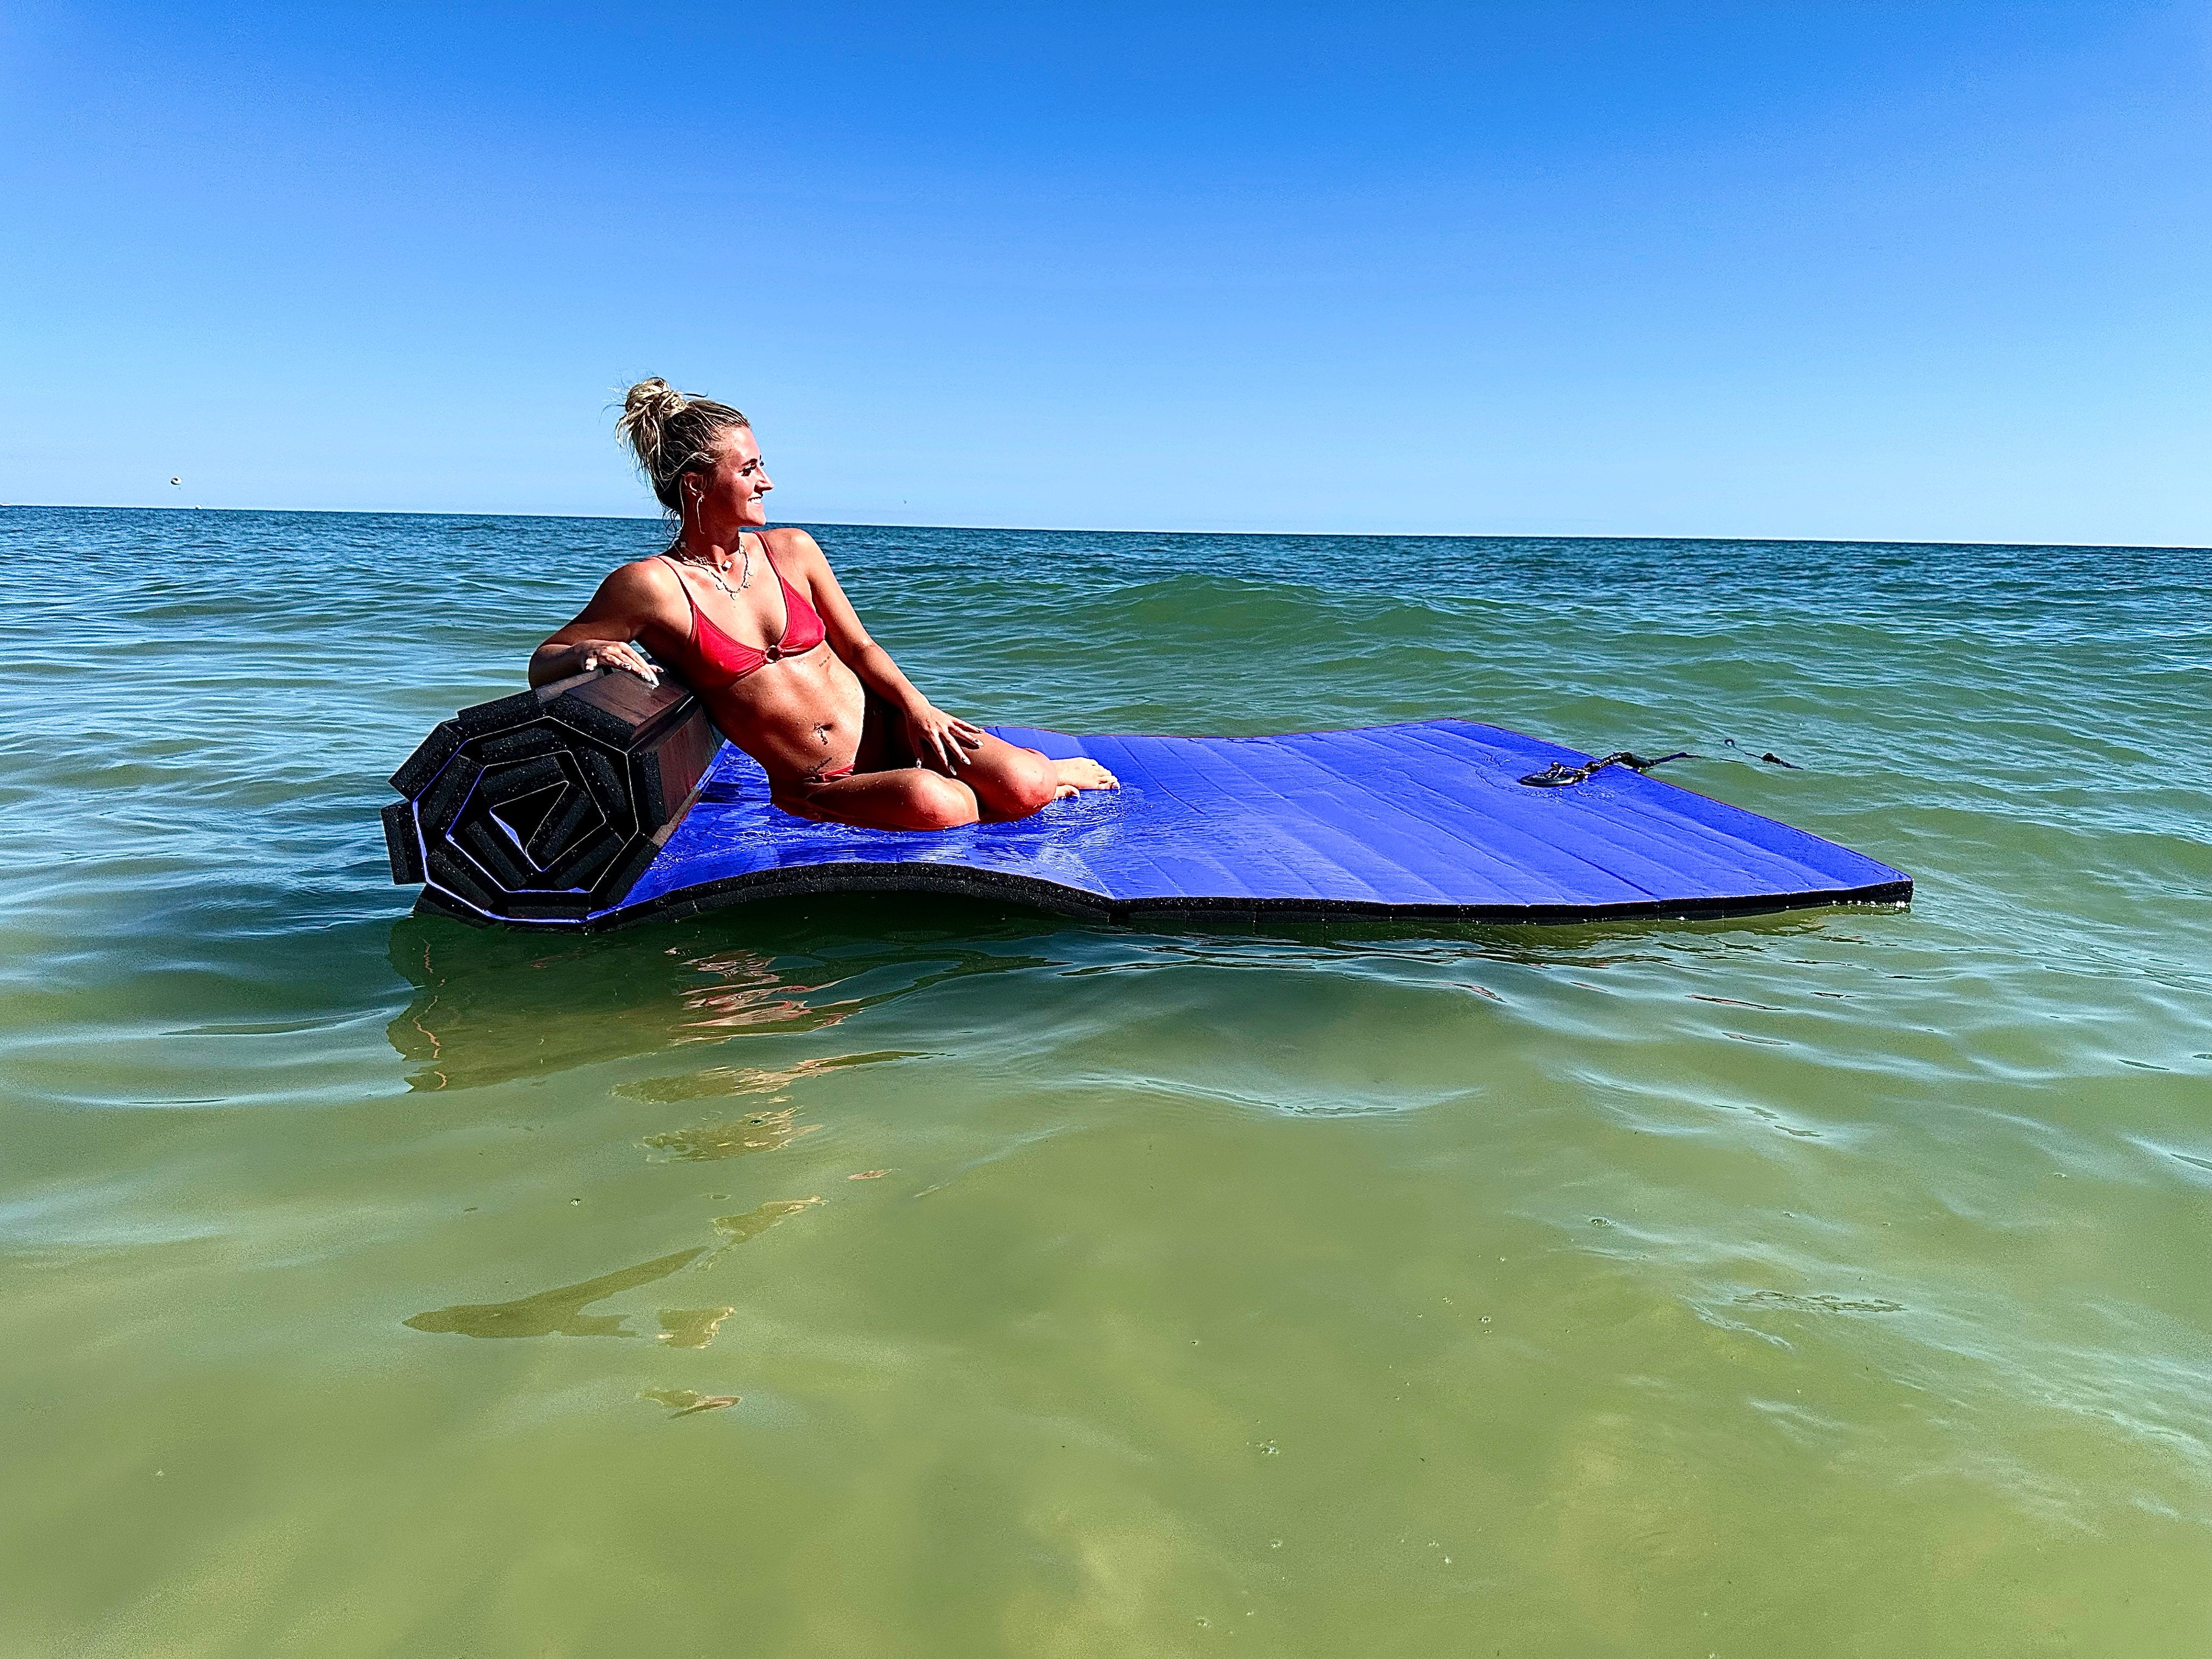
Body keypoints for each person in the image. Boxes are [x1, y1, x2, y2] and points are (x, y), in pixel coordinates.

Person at [531, 381, 1119, 830]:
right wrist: (588, 650)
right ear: (696, 484)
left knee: (1025, 785)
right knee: (939, 804)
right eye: (749, 469)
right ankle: (972, 785)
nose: (767, 482)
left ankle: (1035, 770)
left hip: (892, 730)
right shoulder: (651, 587)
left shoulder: (792, 551)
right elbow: (546, 659)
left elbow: (859, 647)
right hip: (819, 781)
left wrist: (919, 710)